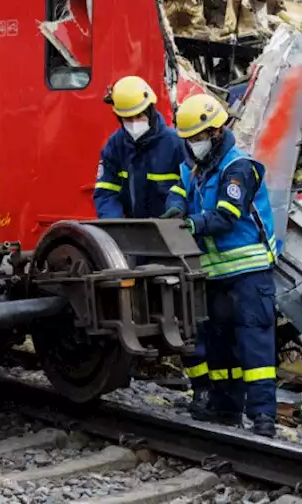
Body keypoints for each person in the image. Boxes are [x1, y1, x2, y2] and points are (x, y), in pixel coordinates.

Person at [163, 93, 278, 438]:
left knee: (254, 344)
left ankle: (262, 417)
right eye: (188, 138)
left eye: (198, 138)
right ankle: (225, 409)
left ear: (215, 133)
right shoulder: (194, 166)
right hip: (214, 274)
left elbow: (227, 217)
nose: (192, 144)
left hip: (248, 273)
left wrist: (191, 225)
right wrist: (173, 209)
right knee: (219, 343)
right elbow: (178, 190)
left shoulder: (236, 168)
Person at [93, 77, 209, 408]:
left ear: (151, 109)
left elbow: (188, 187)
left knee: (183, 315)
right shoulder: (115, 146)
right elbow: (106, 193)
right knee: (128, 310)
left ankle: (201, 386)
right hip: (131, 244)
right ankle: (122, 377)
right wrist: (117, 229)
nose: (133, 124)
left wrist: (175, 212)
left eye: (138, 116)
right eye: (126, 119)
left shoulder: (175, 144)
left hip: (169, 242)